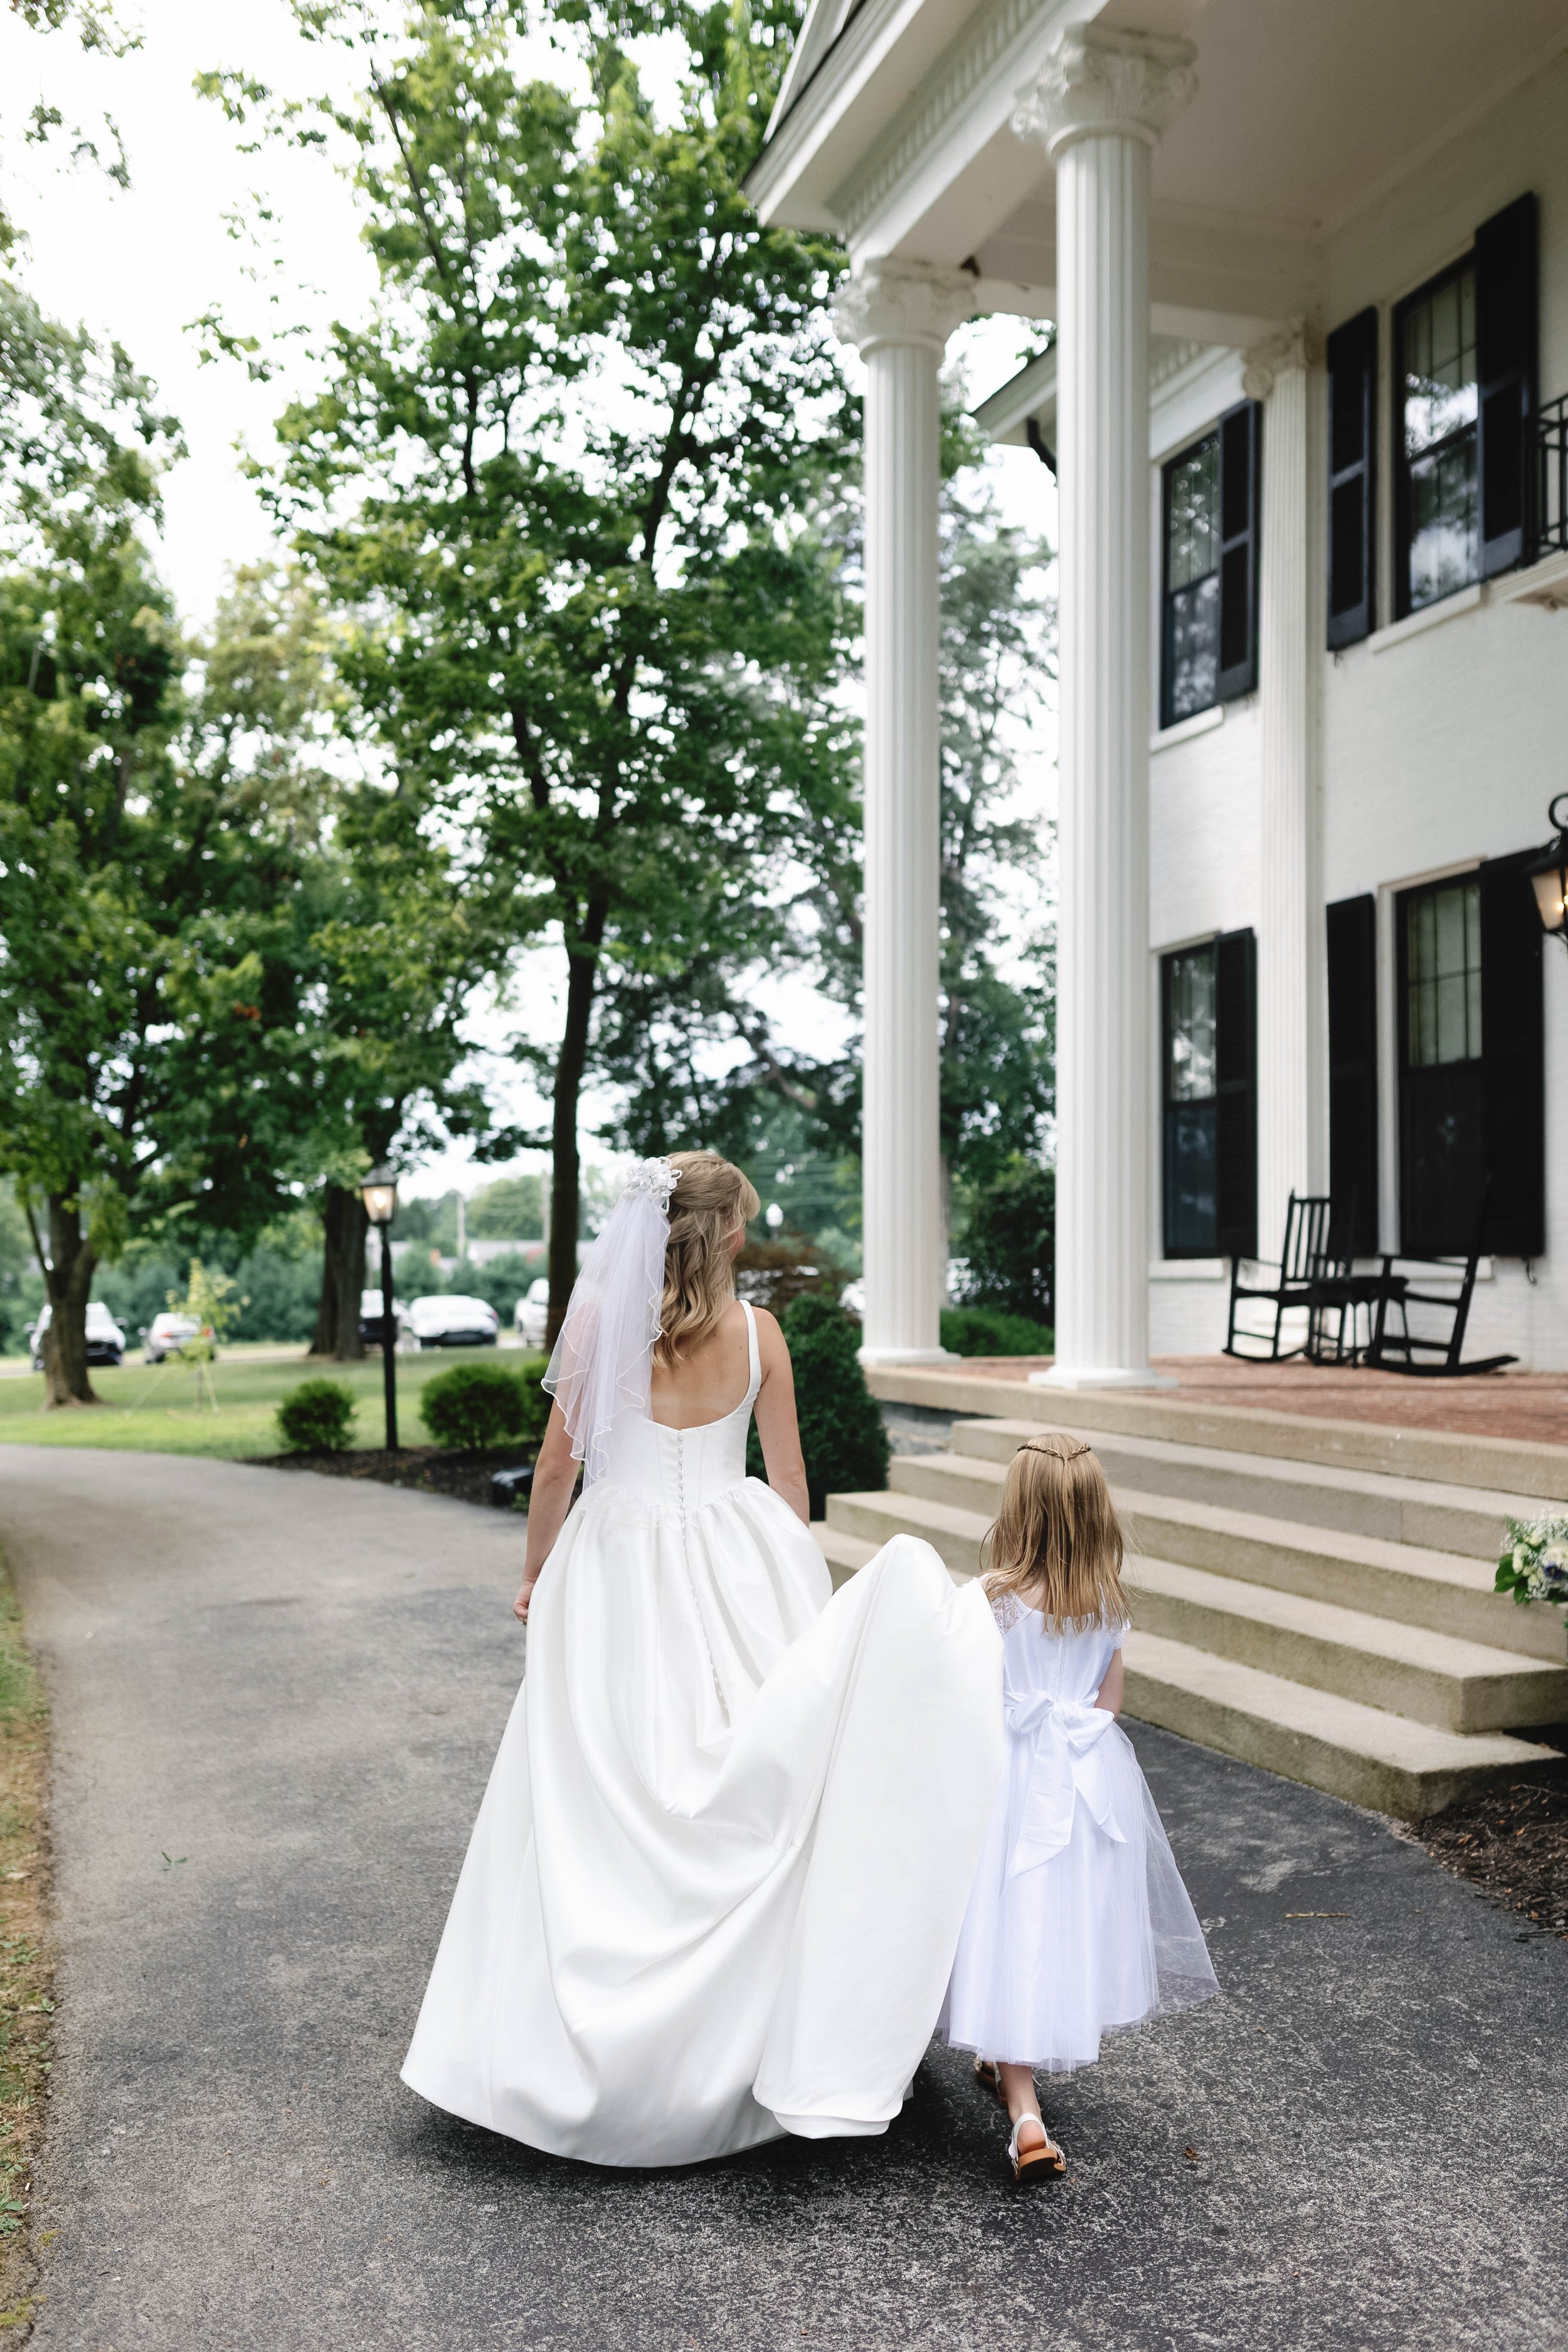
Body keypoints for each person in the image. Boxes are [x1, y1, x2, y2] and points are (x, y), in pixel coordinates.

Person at [401, 1152, 1004, 2167]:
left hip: (614, 1564)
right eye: (743, 1227)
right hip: (741, 1552)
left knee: (596, 1798)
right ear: (725, 1235)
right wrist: (790, 1589)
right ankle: (757, 2047)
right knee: (760, 1785)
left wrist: (536, 1573)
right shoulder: (760, 1334)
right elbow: (793, 1482)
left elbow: (558, 1466)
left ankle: (582, 2061)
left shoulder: (598, 1329)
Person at [938, 1436, 1219, 2182]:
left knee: (1004, 1922)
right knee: (1049, 1923)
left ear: (1017, 1510)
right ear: (1097, 1514)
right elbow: (1110, 1702)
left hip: (1010, 1779)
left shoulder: (991, 1600)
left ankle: (1025, 2112)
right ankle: (1006, 2062)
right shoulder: (1107, 1603)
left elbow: (963, 1690)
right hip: (1086, 1779)